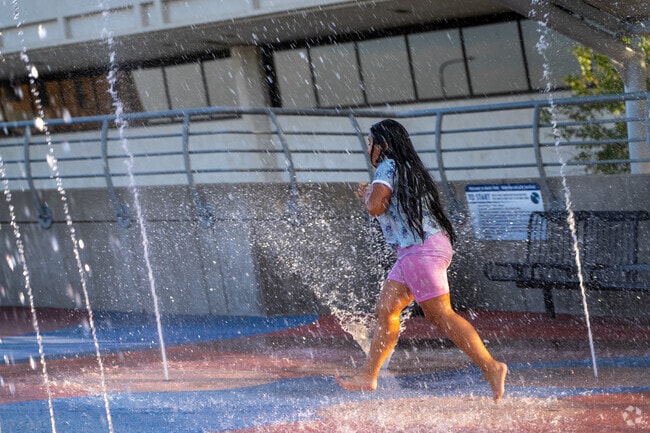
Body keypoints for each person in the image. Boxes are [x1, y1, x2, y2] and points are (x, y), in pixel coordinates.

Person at [335, 119, 507, 402]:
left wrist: (368, 196)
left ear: (384, 145)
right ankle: (369, 374)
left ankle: (491, 366)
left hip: (420, 251)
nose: (368, 148)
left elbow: (376, 206)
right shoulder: (409, 169)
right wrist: (372, 194)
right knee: (387, 308)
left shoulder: (387, 166)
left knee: (441, 315)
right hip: (420, 249)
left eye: (370, 142)